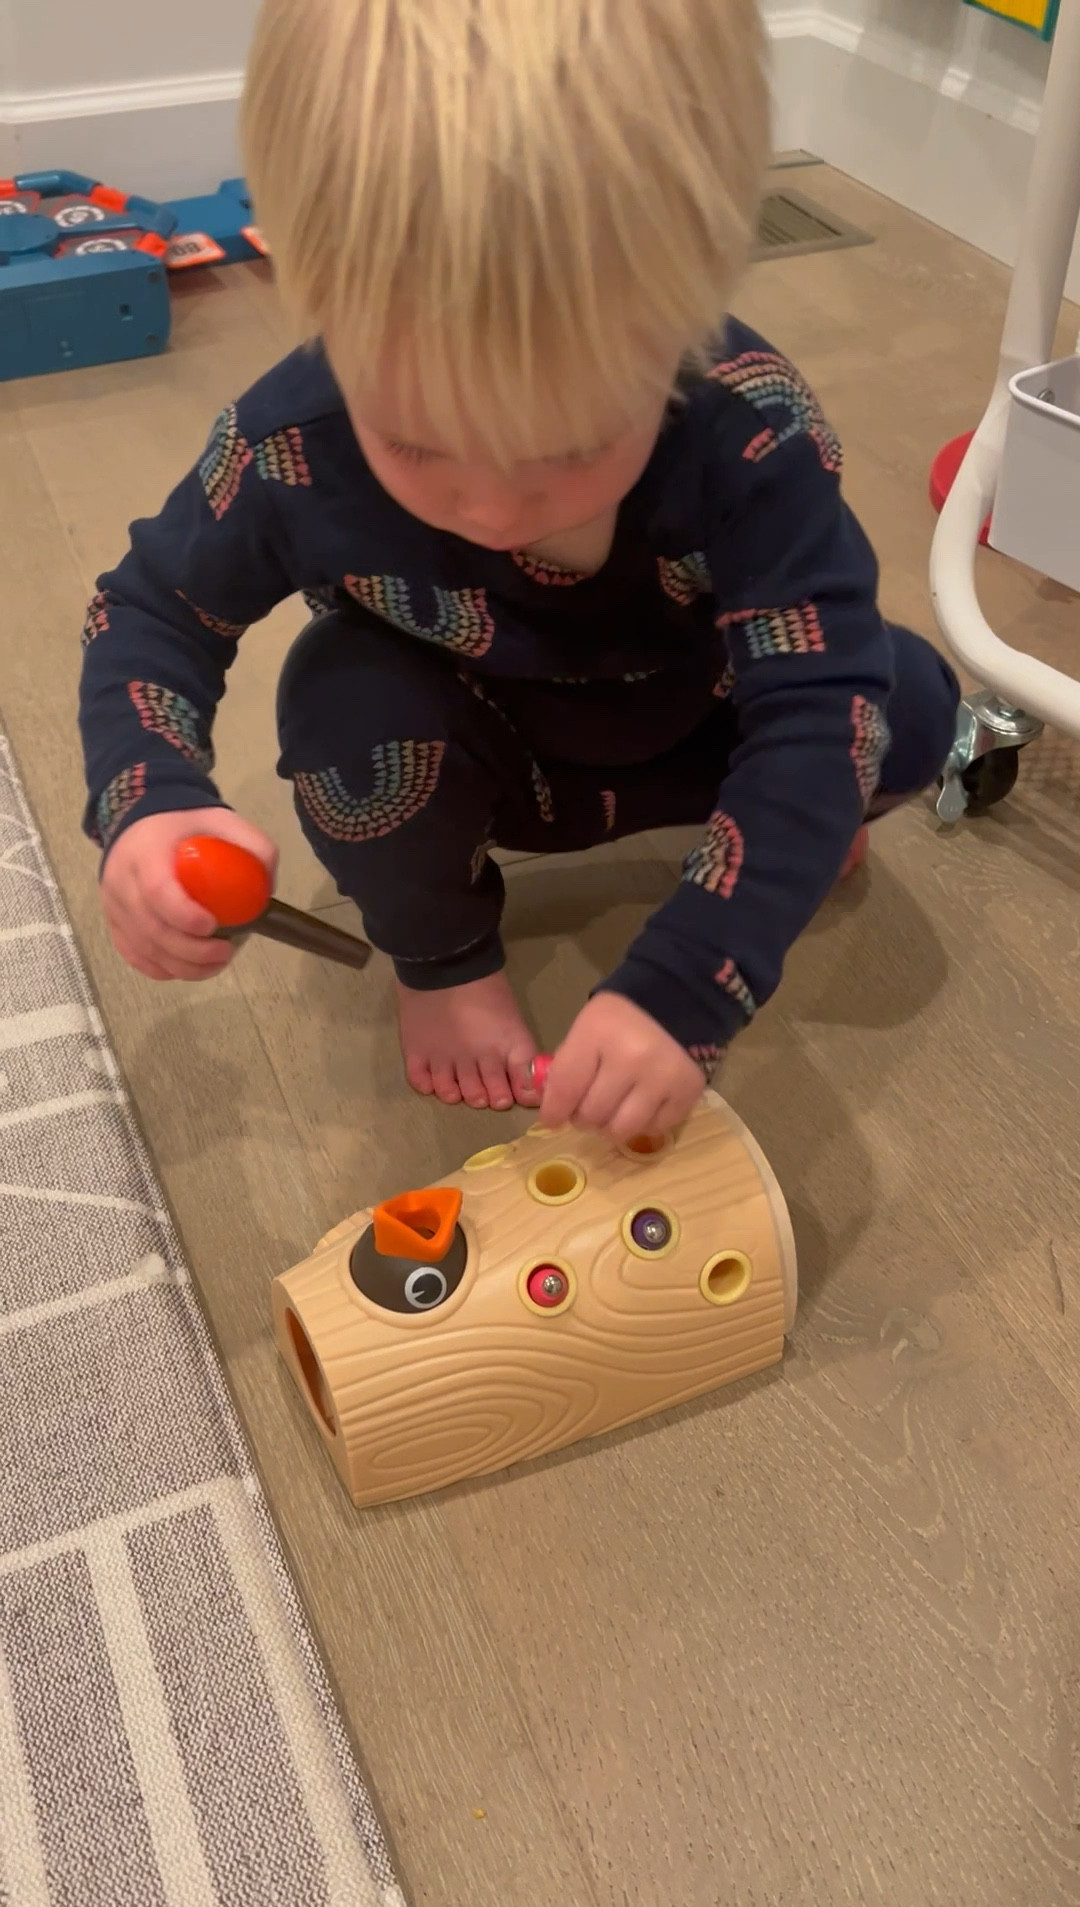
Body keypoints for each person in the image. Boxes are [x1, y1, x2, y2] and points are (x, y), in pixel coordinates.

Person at [77, 0, 959, 1143]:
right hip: (476, 756)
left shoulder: (752, 427)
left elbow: (818, 700)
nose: (492, 511)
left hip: (706, 726)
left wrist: (692, 981)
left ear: (686, 311)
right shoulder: (287, 442)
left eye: (571, 448)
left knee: (898, 702)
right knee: (341, 700)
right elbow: (151, 612)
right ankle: (444, 957)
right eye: (416, 443)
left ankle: (775, 834)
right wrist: (149, 799)